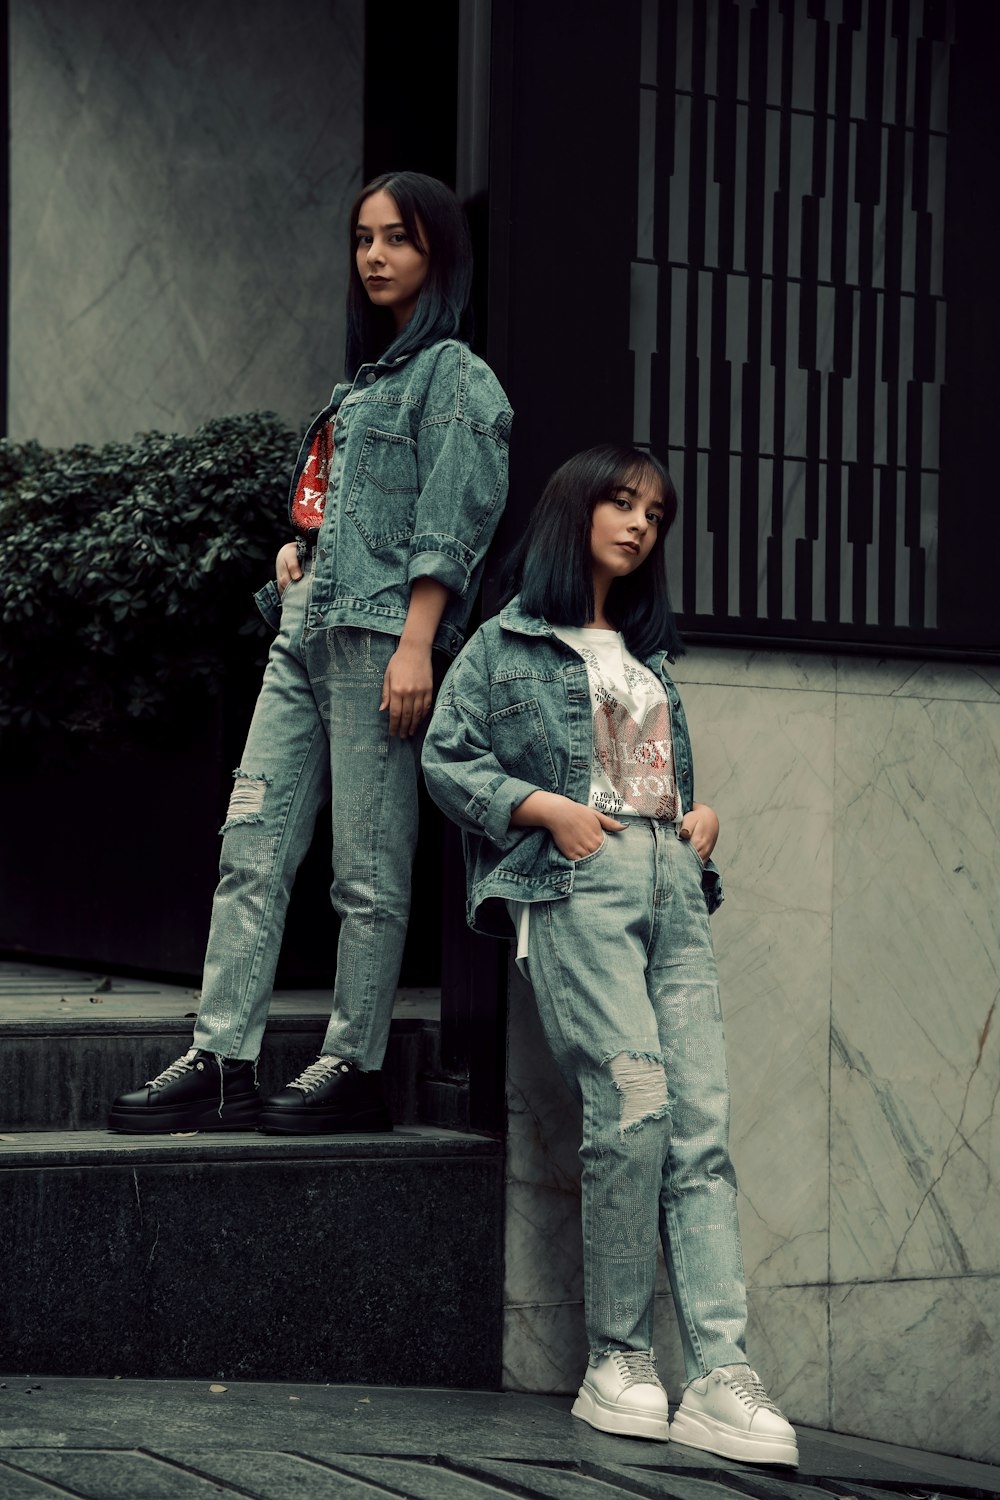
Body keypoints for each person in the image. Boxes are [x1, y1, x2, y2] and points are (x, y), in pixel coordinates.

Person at [108, 171, 512, 1136]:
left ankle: (354, 1062)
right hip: (304, 636)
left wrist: (419, 642)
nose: (373, 256)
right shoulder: (358, 388)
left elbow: (454, 519)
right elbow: (347, 515)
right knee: (251, 846)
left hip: (382, 645)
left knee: (366, 871)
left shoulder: (455, 376)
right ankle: (221, 1058)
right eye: (363, 238)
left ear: (440, 255)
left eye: (398, 240)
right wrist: (301, 553)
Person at [421, 445, 798, 1468]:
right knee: (632, 1105)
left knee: (700, 1128)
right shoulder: (502, 647)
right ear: (574, 511)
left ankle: (720, 1373)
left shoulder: (646, 658)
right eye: (621, 503)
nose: (639, 523)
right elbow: (447, 759)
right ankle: (615, 1360)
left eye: (656, 513)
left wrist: (701, 816)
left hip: (672, 889)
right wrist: (543, 808)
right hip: (577, 887)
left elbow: (665, 782)